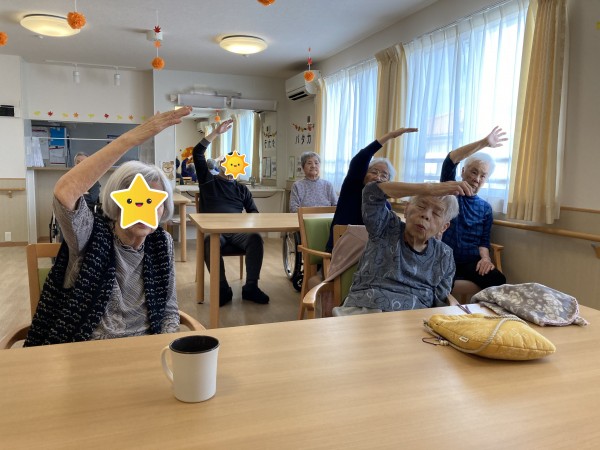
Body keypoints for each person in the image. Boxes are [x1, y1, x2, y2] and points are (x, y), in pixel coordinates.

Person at [24, 107, 193, 347]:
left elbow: (168, 308)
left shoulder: (161, 242)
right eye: (134, 201)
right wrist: (131, 139)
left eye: (154, 202)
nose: (144, 209)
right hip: (90, 348)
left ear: (163, 208)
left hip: (147, 347)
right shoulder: (90, 234)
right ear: (117, 202)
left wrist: (169, 346)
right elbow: (65, 191)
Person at [333, 179, 472, 316]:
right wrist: (428, 189)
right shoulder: (385, 227)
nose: (426, 215)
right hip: (366, 310)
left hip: (413, 319)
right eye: (421, 206)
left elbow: (440, 300)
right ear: (406, 209)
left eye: (436, 213)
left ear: (444, 227)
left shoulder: (444, 255)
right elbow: (372, 192)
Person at [193, 119, 270, 307]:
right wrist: (216, 133)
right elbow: (197, 153)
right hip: (214, 231)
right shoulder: (208, 181)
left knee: (255, 238)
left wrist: (248, 223)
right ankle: (222, 288)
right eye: (228, 164)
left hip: (237, 232)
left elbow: (253, 211)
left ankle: (251, 287)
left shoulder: (241, 189)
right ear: (221, 164)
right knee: (209, 242)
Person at [326, 127, 418, 250]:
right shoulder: (352, 189)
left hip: (370, 254)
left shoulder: (386, 206)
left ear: (388, 182)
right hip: (342, 250)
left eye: (384, 175)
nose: (378, 177)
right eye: (374, 172)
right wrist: (390, 135)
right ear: (364, 174)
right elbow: (361, 158)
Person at [439, 126, 508, 290]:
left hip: (471, 262)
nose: (477, 179)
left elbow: (484, 241)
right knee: (440, 285)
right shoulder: (450, 192)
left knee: (498, 281)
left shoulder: (485, 208)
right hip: (445, 259)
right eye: (473, 172)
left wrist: (485, 259)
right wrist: (484, 142)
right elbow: (450, 161)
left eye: (483, 176)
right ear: (463, 172)